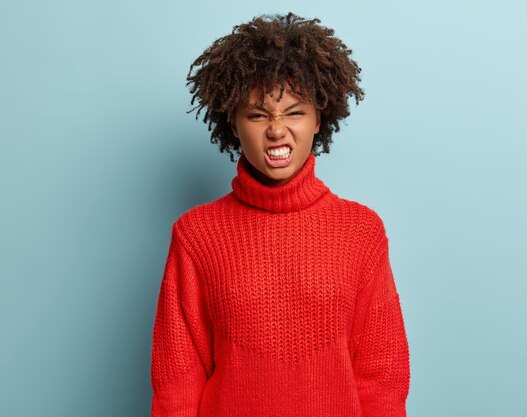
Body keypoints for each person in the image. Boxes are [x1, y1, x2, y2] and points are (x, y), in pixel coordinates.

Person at [150, 12, 410, 417]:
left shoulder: (361, 231)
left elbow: (382, 378)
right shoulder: (196, 234)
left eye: (294, 112)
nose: (276, 129)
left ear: (319, 118)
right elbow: (178, 381)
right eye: (257, 114)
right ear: (233, 125)